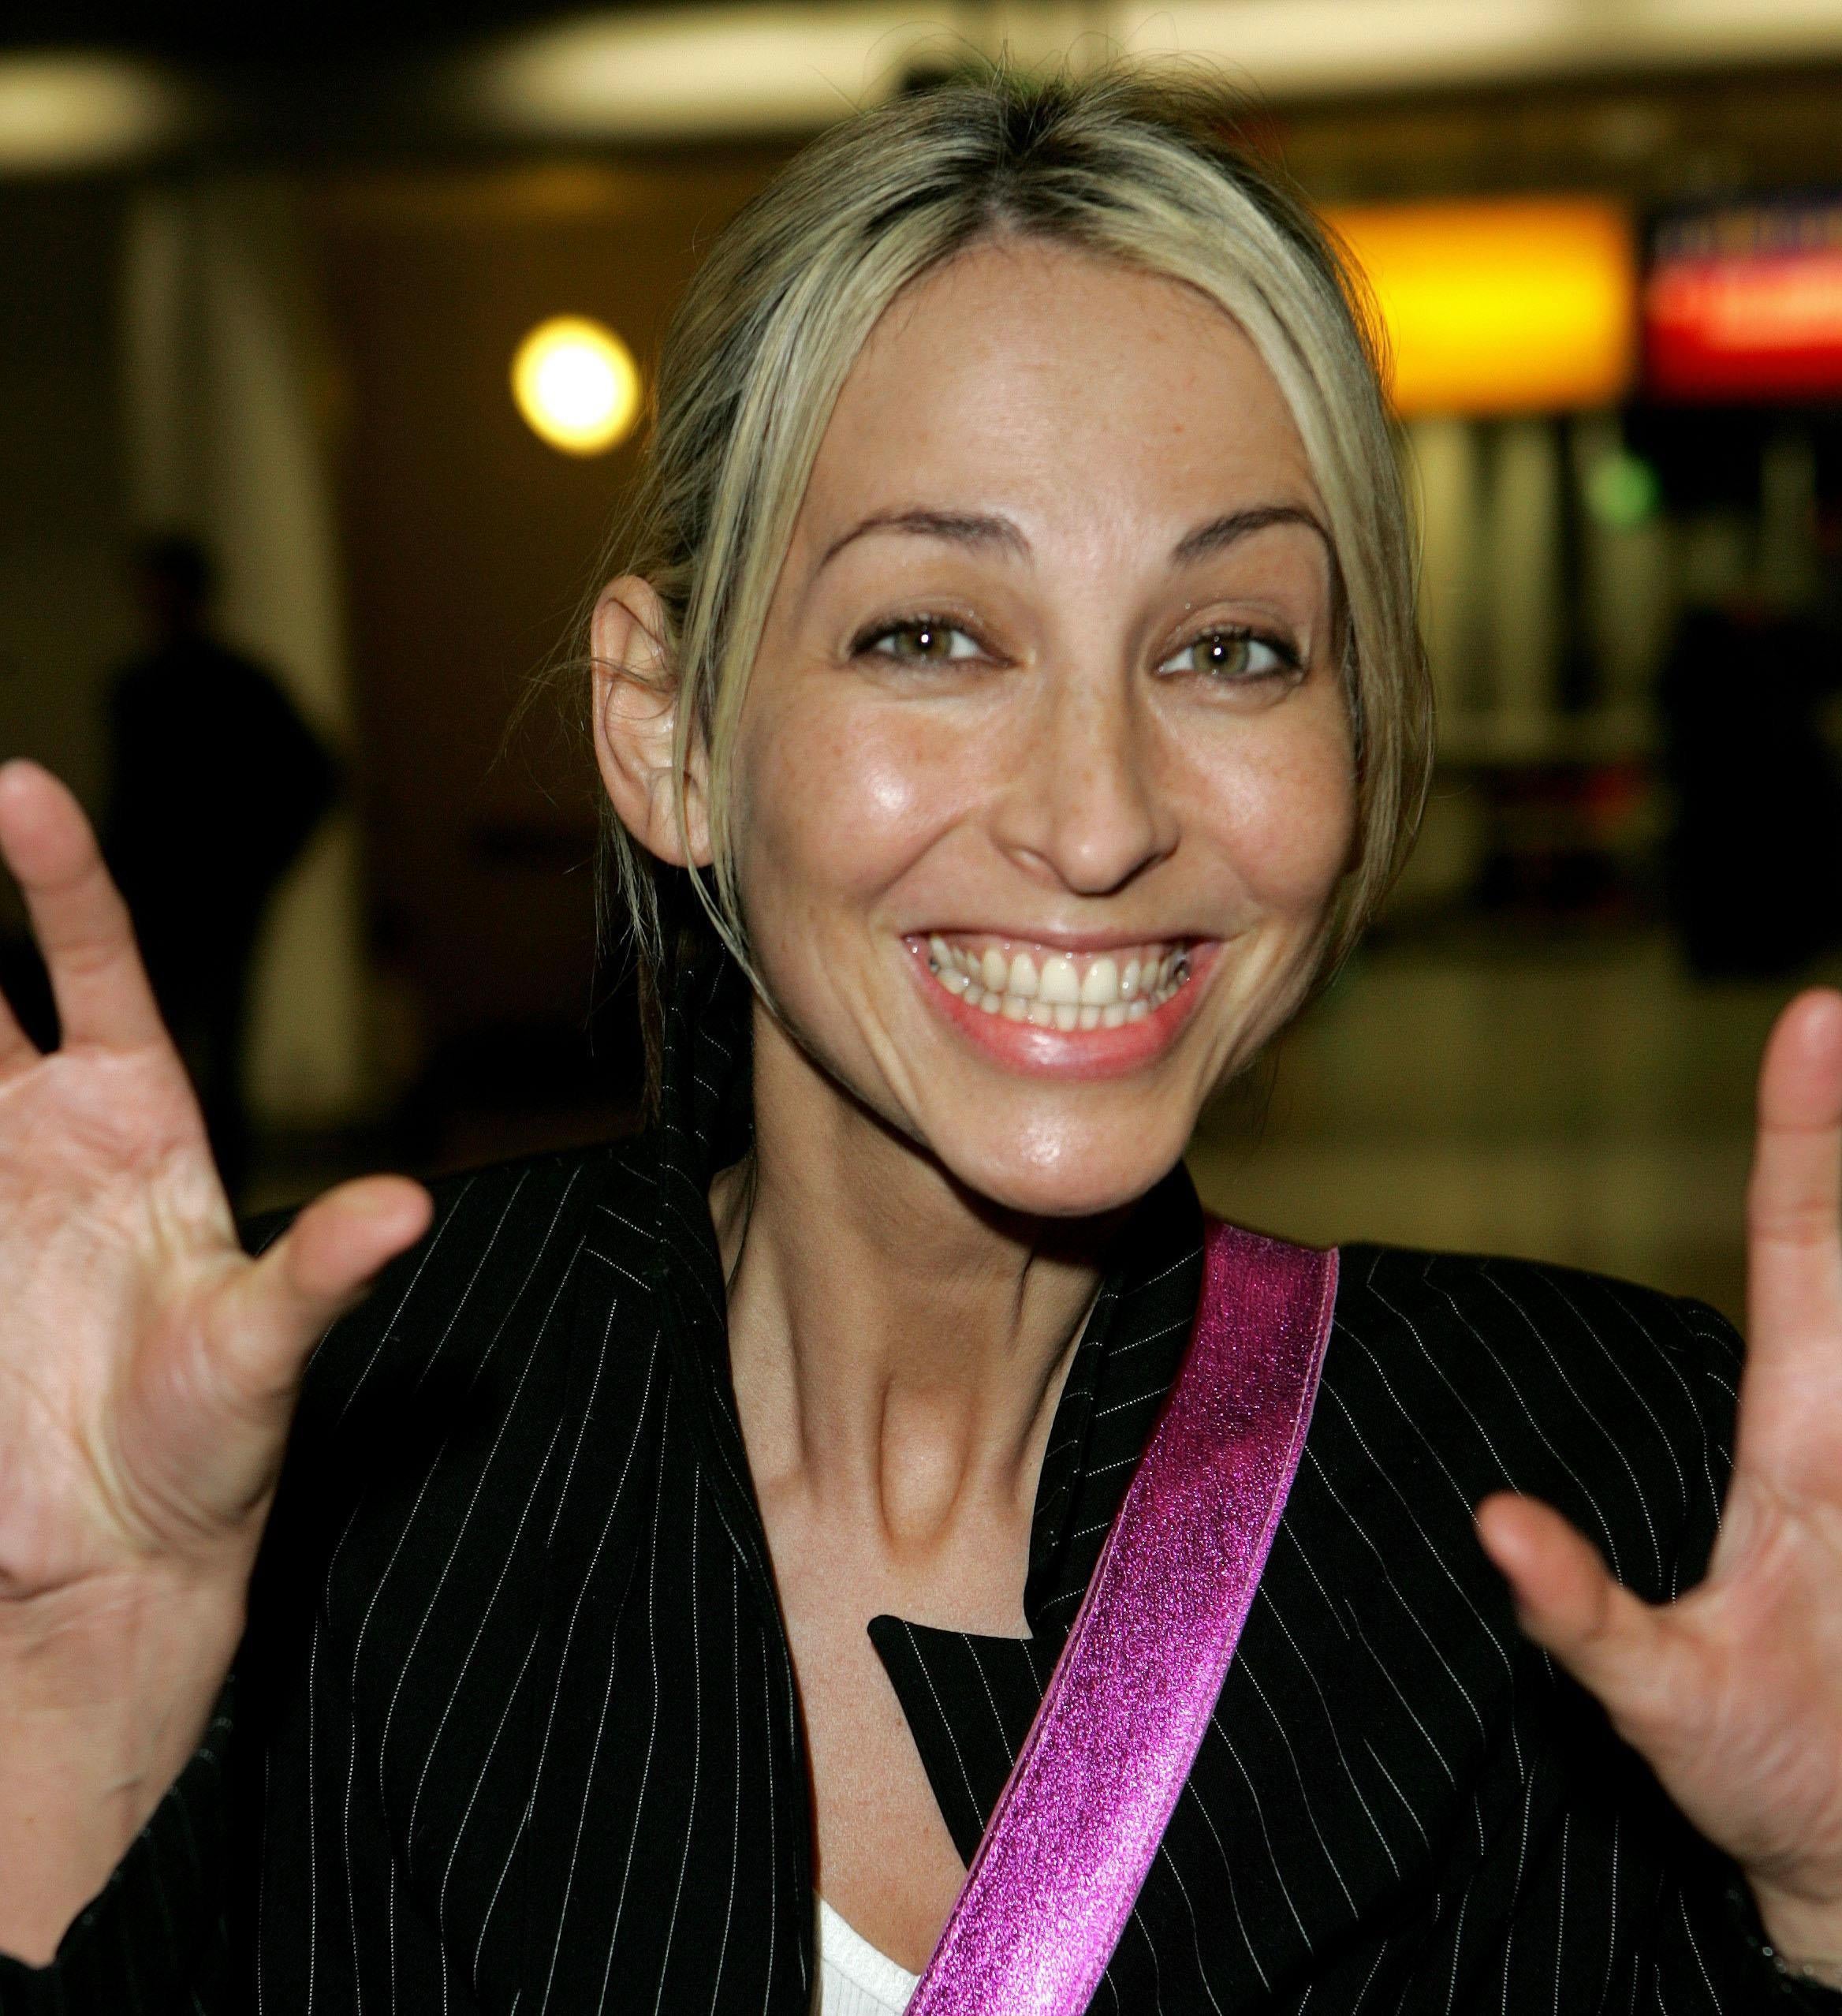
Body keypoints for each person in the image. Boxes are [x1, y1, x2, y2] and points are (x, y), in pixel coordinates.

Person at [2, 69, 1841, 2014]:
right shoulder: (307, 1466)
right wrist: (71, 1725)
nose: (1094, 813)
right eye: (930, 636)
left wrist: (1816, 1903)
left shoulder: (1610, 1503)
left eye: (1227, 648)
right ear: (670, 731)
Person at [101, 534, 340, 1197]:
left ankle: (215, 1193)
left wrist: (259, 867)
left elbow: (318, 776)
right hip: (161, 901)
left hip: (216, 901)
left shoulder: (230, 684)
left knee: (217, 1048)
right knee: (165, 1045)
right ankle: (179, 1189)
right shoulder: (138, 688)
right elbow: (128, 803)